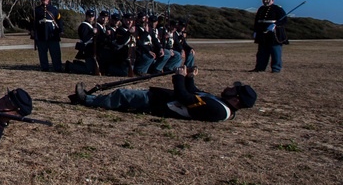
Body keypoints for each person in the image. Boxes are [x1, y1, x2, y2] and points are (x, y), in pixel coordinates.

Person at [69, 66, 257, 122]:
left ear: (237, 99)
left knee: (122, 94)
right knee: (124, 95)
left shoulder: (218, 109)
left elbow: (185, 97)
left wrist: (179, 78)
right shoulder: (221, 103)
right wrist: (189, 77)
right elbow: (194, 92)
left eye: (234, 89)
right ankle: (90, 98)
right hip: (162, 99)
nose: (229, 87)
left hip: (160, 104)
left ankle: (88, 100)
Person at [253, 0, 287, 73]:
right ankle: (260, 68)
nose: (264, 0)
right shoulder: (261, 9)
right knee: (261, 52)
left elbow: (284, 20)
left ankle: (276, 68)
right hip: (262, 32)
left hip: (274, 33)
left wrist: (275, 25)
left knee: (275, 51)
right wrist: (255, 31)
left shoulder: (277, 8)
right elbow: (257, 21)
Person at [30, 0, 62, 72]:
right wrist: (32, 31)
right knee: (42, 52)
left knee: (55, 52)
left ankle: (58, 68)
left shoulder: (54, 9)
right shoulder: (36, 10)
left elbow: (59, 20)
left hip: (52, 34)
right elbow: (32, 21)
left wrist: (61, 30)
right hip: (41, 34)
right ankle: (44, 67)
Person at [66, 10, 97, 74]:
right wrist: (92, 33)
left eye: (92, 16)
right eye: (89, 16)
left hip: (91, 48)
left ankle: (76, 64)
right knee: (89, 70)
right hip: (86, 48)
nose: (91, 18)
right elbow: (84, 39)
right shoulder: (84, 26)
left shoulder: (91, 26)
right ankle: (71, 66)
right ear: (86, 16)